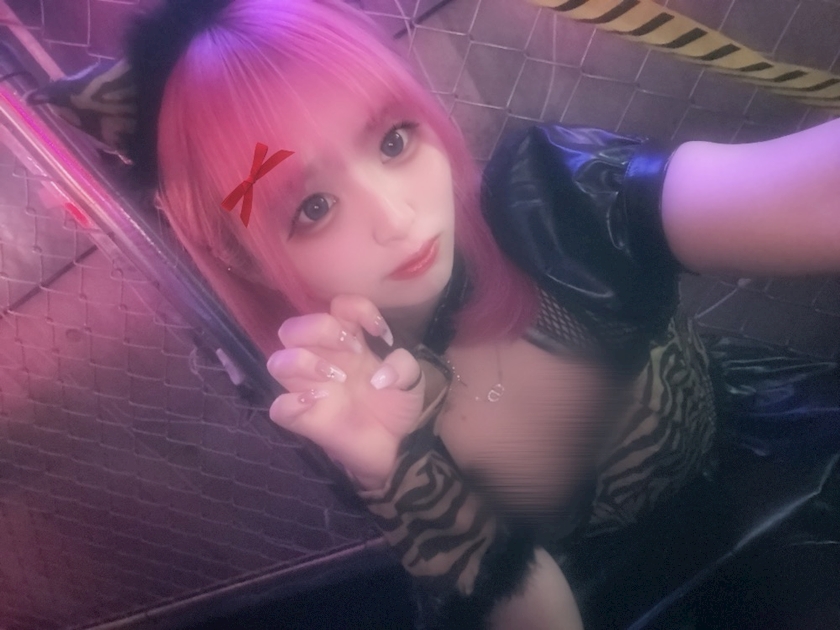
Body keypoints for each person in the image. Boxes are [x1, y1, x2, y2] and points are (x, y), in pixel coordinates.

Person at [115, 0, 840, 627]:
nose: (396, 217)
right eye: (314, 206)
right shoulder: (336, 388)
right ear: (244, 259)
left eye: (393, 141)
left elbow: (801, 192)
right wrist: (393, 472)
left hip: (771, 461)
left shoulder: (553, 202)